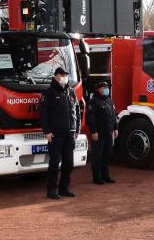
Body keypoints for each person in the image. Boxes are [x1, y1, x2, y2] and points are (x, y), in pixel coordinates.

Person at [40, 67, 81, 200]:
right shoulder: (49, 93)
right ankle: (51, 190)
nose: (65, 77)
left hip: (70, 134)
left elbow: (77, 111)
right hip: (55, 134)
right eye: (62, 75)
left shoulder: (71, 92)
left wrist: (77, 130)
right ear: (56, 76)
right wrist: (47, 131)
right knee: (55, 162)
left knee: (69, 162)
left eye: (66, 75)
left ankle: (64, 188)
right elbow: (43, 114)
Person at [86, 81, 118, 185]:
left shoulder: (109, 101)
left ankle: (106, 175)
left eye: (107, 87)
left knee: (107, 155)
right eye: (104, 87)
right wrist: (94, 131)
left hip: (108, 133)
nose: (107, 89)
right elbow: (91, 118)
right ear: (98, 89)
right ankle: (97, 177)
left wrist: (115, 128)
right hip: (98, 134)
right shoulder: (93, 101)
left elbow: (113, 116)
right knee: (97, 156)